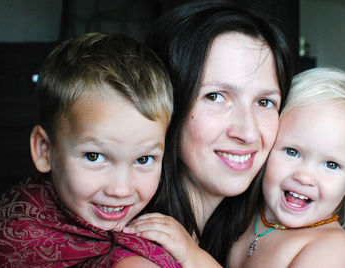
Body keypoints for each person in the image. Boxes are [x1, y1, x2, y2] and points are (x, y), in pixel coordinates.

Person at [124, 0, 294, 266]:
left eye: (264, 102)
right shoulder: (141, 257)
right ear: (168, 102)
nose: (248, 132)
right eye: (215, 96)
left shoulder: (242, 239)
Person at [0, 32, 180, 267]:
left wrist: (192, 254)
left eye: (143, 159)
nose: (120, 189)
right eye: (94, 157)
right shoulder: (15, 228)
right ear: (44, 150)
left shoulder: (166, 231)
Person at [227, 67, 345, 267]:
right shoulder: (243, 213)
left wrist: (195, 257)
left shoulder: (334, 248)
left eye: (331, 164)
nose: (305, 177)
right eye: (292, 152)